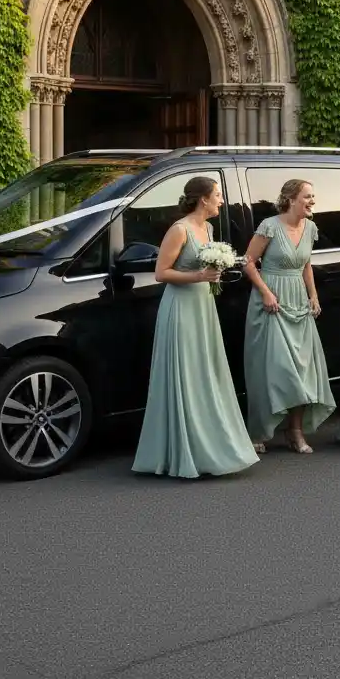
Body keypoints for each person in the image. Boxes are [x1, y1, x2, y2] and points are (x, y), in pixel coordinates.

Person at [132, 177, 259, 479]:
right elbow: (161, 273)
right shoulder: (180, 230)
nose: (221, 200)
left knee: (206, 372)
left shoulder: (209, 229)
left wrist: (216, 273)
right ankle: (182, 449)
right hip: (181, 309)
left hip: (204, 307)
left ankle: (210, 444)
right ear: (202, 199)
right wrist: (200, 277)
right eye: (217, 195)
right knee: (185, 373)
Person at [242, 179, 335, 453]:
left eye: (313, 196)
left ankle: (295, 432)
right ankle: (259, 430)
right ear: (291, 199)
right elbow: (247, 262)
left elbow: (305, 264)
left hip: (298, 302)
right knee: (271, 369)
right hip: (271, 302)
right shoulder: (270, 226)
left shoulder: (311, 228)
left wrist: (313, 295)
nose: (312, 201)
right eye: (307, 196)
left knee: (304, 370)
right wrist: (266, 293)